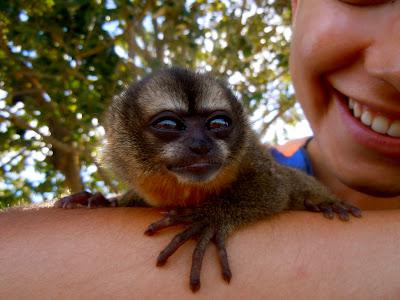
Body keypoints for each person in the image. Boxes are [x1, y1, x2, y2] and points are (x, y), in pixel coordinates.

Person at [0, 0, 399, 298]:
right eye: (169, 126)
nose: (198, 142)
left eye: (218, 125)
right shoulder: (151, 183)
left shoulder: (256, 168)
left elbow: (271, 189)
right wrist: (114, 204)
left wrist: (215, 217)